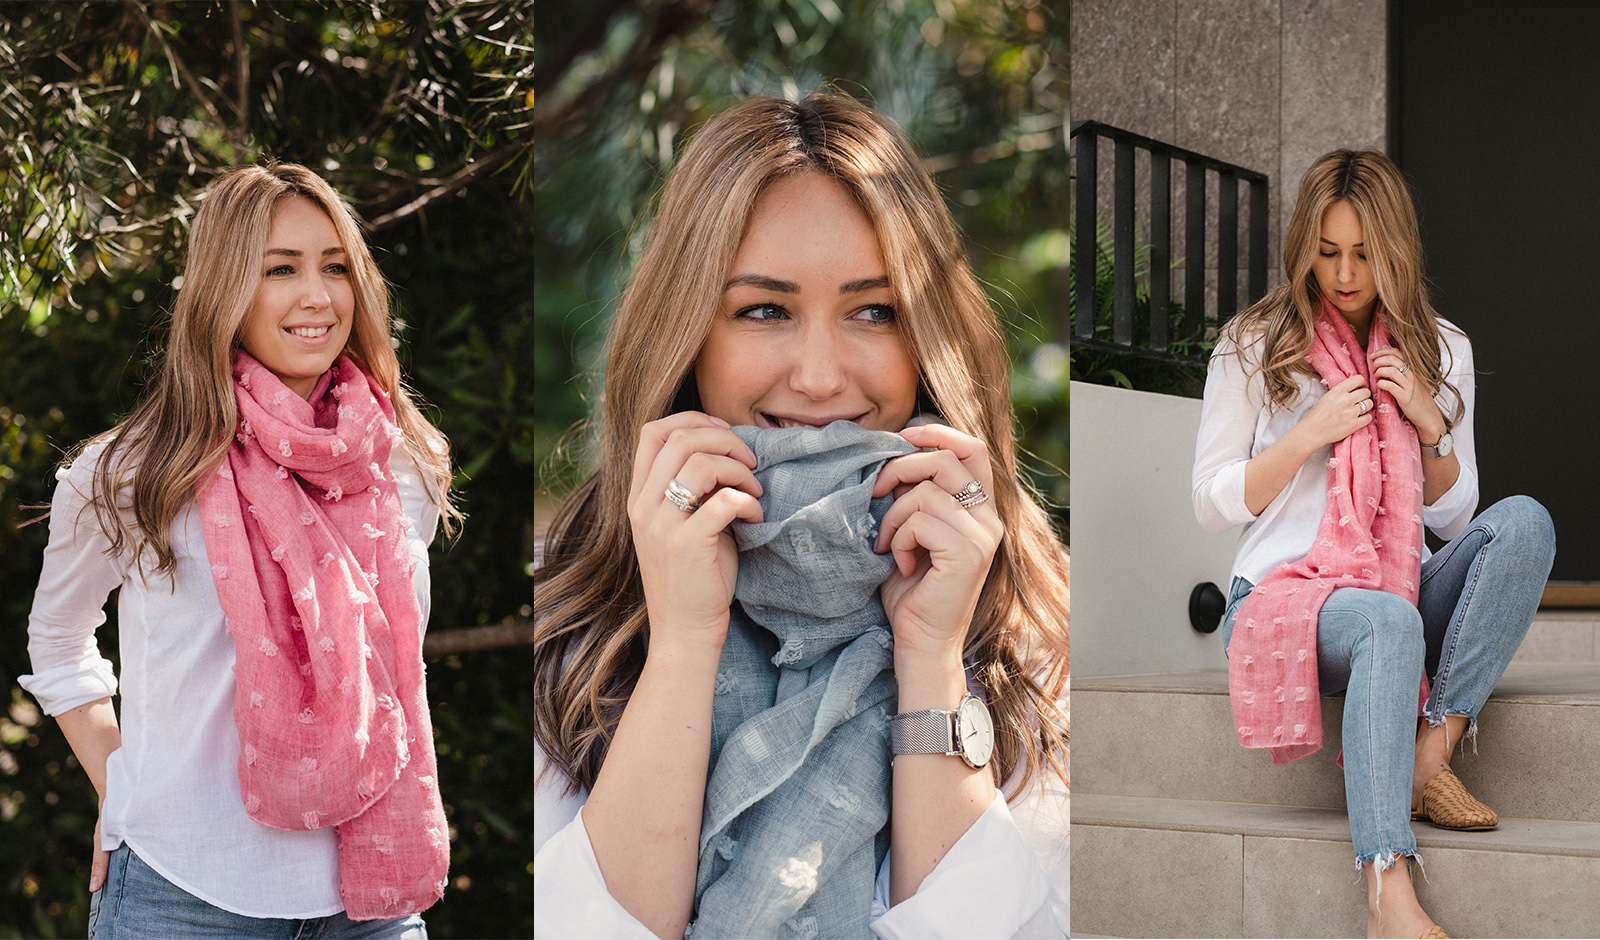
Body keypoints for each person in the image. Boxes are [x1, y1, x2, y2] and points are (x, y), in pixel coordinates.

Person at [532, 91, 1070, 939]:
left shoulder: (1033, 629)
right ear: (686, 338)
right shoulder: (569, 625)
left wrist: (931, 658)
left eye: (873, 311)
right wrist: (681, 638)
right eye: (764, 310)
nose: (820, 378)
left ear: (926, 333)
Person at [20, 163, 460, 939]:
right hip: (181, 896)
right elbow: (58, 641)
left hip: (371, 904)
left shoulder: (401, 462)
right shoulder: (131, 473)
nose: (317, 296)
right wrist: (118, 787)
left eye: (334, 267)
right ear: (223, 289)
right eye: (279, 270)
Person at [1193, 149, 1555, 939]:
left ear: (1395, 249)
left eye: (1363, 253)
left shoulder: (1441, 346)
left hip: (1397, 581)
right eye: (1328, 252)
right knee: (1389, 626)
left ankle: (1432, 754)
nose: (1346, 272)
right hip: (1292, 595)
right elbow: (1211, 501)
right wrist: (1306, 438)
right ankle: (1388, 892)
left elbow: (1458, 520)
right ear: (1304, 248)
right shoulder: (1256, 343)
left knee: (1525, 522)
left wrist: (1429, 420)